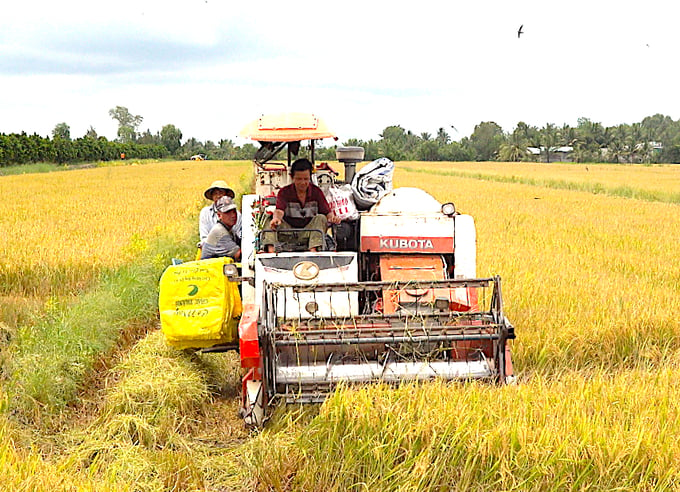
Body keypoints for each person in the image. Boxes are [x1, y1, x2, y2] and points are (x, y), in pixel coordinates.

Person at [263, 158, 340, 253]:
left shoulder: (316, 192)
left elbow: (327, 213)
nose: (303, 183)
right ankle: (271, 252)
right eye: (299, 179)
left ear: (310, 177)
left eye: (306, 179)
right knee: (269, 219)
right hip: (288, 232)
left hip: (308, 233)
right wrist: (276, 219)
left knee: (321, 218)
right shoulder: (284, 192)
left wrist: (333, 218)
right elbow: (279, 210)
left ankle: (314, 250)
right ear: (292, 178)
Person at [199, 180, 242, 247]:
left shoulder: (237, 215)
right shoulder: (205, 213)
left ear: (227, 195)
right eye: (215, 193)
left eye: (221, 193)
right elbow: (204, 238)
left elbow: (240, 237)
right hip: (211, 249)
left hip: (231, 248)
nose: (218, 196)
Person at [201, 196, 242, 260]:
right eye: (227, 212)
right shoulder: (220, 232)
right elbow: (239, 255)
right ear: (219, 215)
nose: (233, 215)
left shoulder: (230, 230)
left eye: (234, 211)